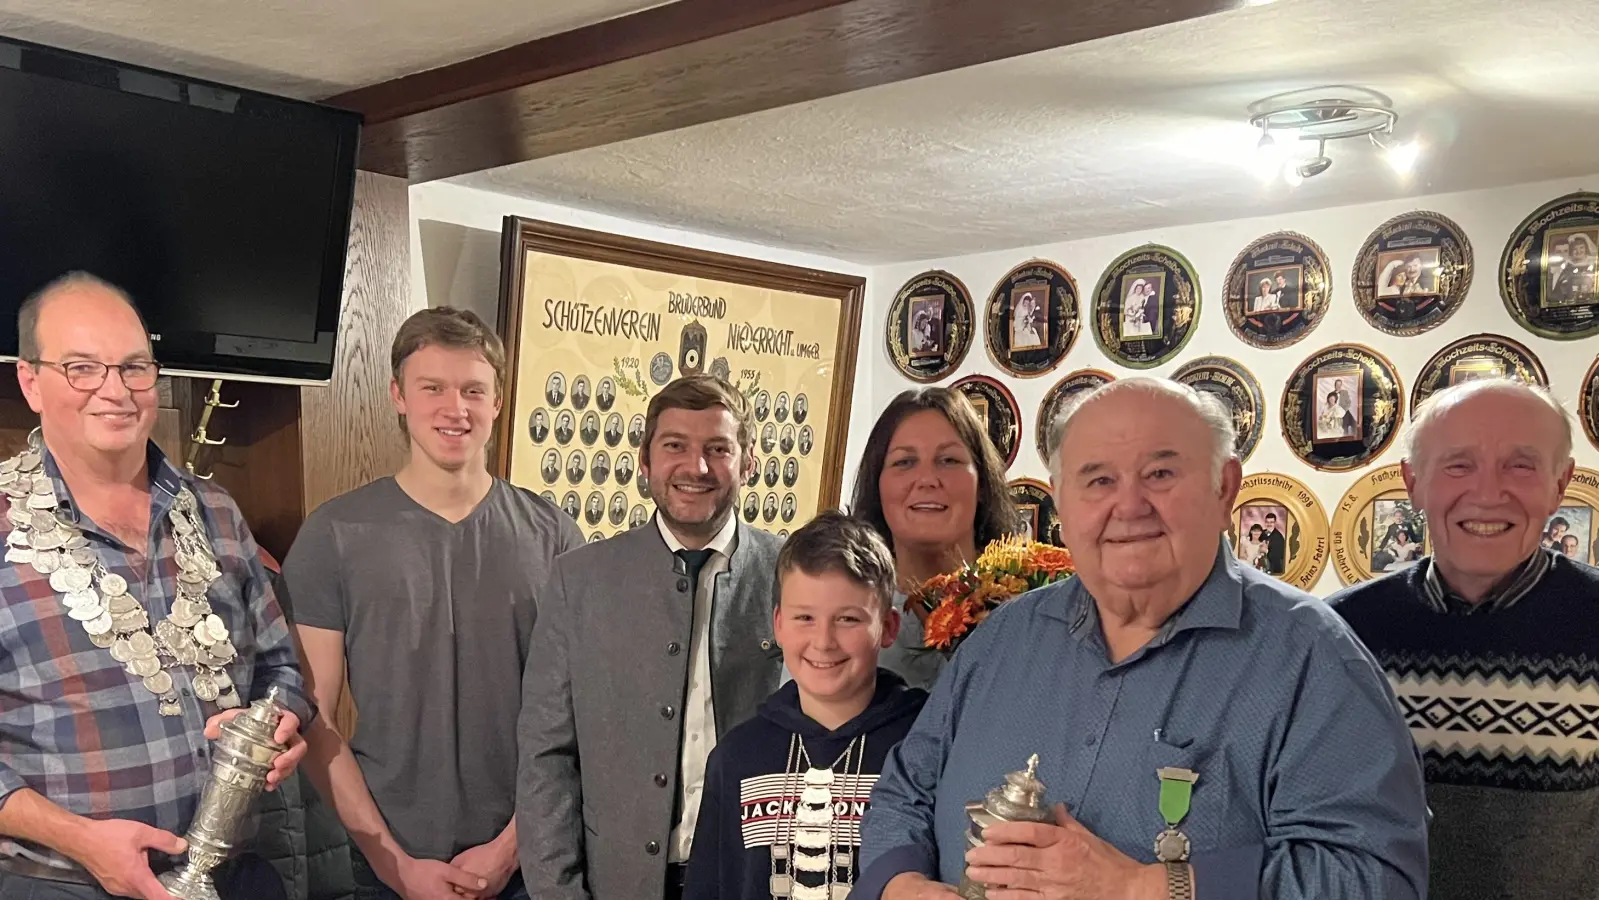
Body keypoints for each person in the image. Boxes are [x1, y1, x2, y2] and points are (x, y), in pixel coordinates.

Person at [859, 378, 1428, 900]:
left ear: (1223, 486)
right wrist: (899, 883)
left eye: (1160, 473)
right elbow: (903, 790)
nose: (1128, 506)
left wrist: (1141, 888)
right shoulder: (1002, 640)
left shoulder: (1311, 658)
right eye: (1099, 479)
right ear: (1061, 499)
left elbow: (1374, 878)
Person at [0, 272, 310, 896]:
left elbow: (283, 669)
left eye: (135, 367)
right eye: (82, 368)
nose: (115, 390)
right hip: (62, 884)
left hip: (231, 877)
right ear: (30, 381)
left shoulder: (217, 512)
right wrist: (77, 837)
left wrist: (277, 727)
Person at [286, 306, 582, 900]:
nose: (456, 408)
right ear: (399, 395)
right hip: (381, 863)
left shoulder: (554, 536)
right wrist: (394, 863)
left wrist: (507, 851)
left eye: (474, 390)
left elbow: (581, 717)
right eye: (433, 388)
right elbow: (313, 720)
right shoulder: (333, 534)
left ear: (498, 401)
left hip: (530, 862)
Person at [518, 375, 788, 900]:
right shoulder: (580, 580)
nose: (696, 467)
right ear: (645, 461)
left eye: (718, 448)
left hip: (755, 879)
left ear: (749, 460)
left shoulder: (793, 576)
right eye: (675, 447)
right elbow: (545, 757)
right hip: (617, 881)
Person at [1332, 378, 1599, 900]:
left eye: (1520, 466)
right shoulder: (1340, 631)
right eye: (1458, 465)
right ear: (1413, 483)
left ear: (1559, 484)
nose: (1487, 493)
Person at [683, 512, 927, 900]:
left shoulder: (924, 746)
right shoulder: (737, 757)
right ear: (778, 625)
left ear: (889, 627)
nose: (823, 641)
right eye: (805, 618)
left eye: (848, 619)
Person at [849, 388, 1017, 690]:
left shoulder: (1028, 605)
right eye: (904, 462)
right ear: (877, 485)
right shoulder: (842, 613)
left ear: (982, 483)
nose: (927, 480)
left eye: (949, 460)